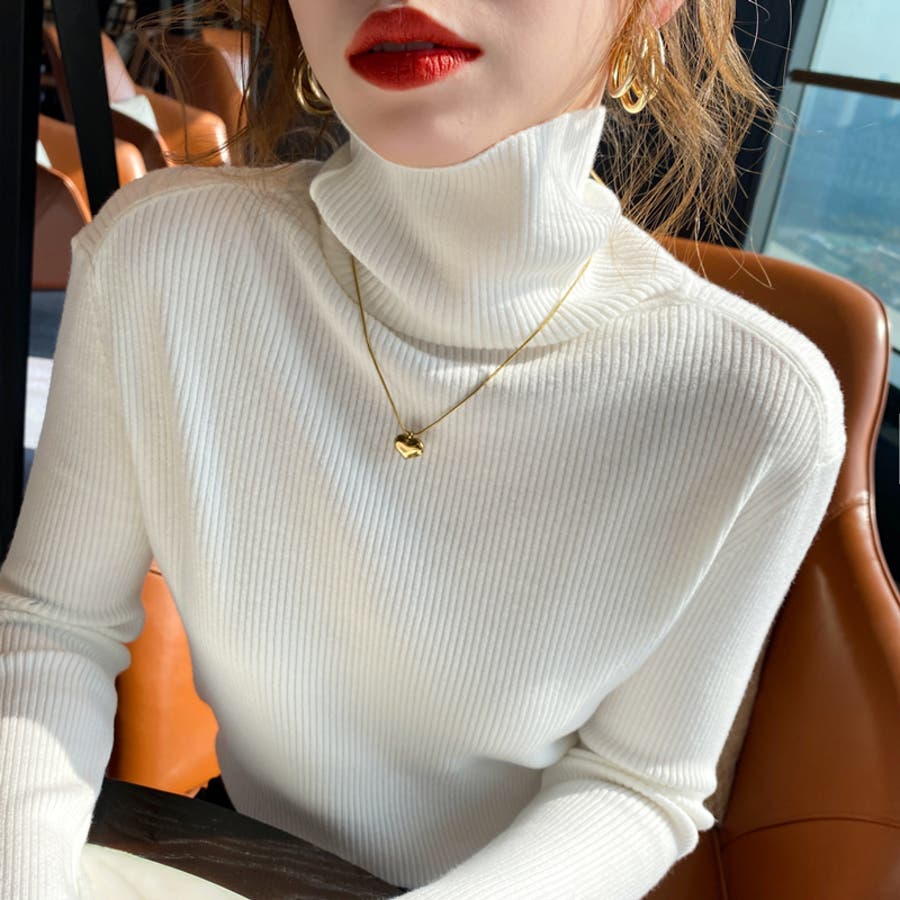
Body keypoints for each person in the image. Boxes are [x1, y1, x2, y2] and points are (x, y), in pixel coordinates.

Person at [1, 0, 847, 897]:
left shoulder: (757, 406)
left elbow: (638, 785)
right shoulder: (159, 259)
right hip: (242, 859)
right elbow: (51, 629)